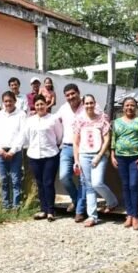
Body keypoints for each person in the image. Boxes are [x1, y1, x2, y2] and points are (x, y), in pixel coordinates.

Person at [73, 94, 118, 227]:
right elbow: (75, 142)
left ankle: (112, 201)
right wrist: (76, 160)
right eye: (86, 103)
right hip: (84, 155)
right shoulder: (79, 120)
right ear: (83, 104)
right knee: (88, 186)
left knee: (97, 183)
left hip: (99, 155)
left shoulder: (102, 118)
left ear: (95, 103)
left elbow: (107, 139)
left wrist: (99, 155)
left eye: (91, 103)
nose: (89, 106)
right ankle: (92, 216)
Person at [111, 97, 138, 230]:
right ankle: (129, 214)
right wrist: (112, 155)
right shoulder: (116, 122)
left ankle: (135, 216)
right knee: (125, 185)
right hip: (121, 157)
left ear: (136, 107)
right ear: (123, 107)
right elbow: (113, 140)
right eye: (127, 105)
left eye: (132, 105)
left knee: (134, 185)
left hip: (136, 158)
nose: (129, 108)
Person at [25, 94, 63, 221]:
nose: (40, 106)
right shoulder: (30, 120)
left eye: (42, 104)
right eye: (37, 105)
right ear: (34, 107)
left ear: (46, 105)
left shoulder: (53, 119)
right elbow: (26, 137)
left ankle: (51, 211)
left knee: (48, 182)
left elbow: (59, 136)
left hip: (50, 155)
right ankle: (43, 209)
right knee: (40, 183)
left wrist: (53, 145)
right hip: (34, 155)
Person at [57, 83, 87, 222]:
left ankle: (80, 211)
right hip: (67, 147)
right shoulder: (63, 108)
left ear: (78, 92)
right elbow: (54, 121)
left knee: (83, 180)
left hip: (85, 148)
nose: (70, 97)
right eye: (67, 95)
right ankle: (76, 200)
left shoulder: (87, 105)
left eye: (73, 94)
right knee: (64, 177)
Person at [0, 91, 26, 210]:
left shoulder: (21, 114)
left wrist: (12, 151)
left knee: (15, 179)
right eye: (5, 101)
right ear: (3, 102)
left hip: (14, 152)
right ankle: (6, 206)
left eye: (10, 101)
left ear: (15, 101)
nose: (8, 103)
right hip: (1, 152)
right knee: (4, 180)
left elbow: (22, 134)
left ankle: (16, 206)